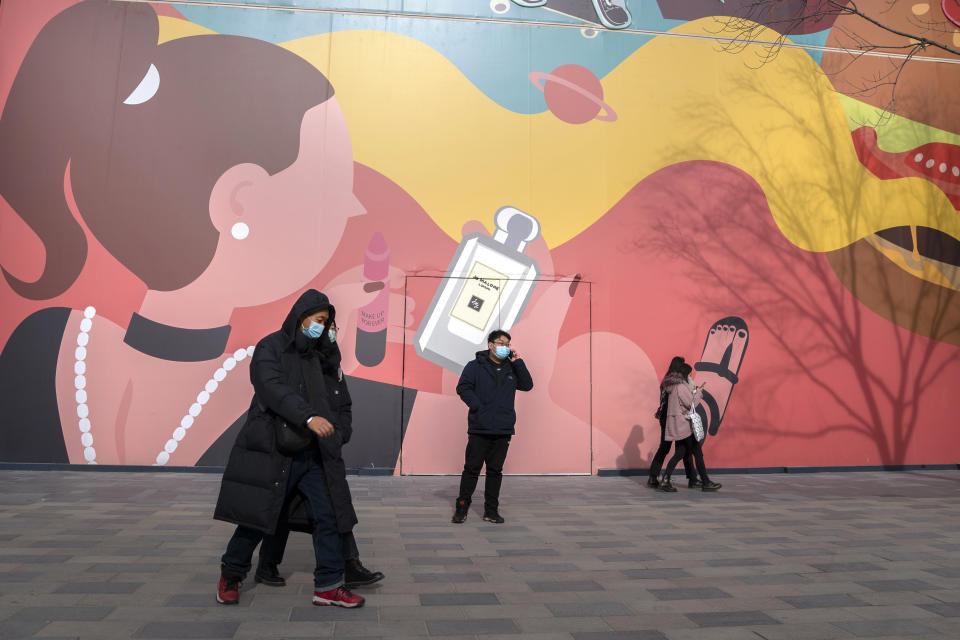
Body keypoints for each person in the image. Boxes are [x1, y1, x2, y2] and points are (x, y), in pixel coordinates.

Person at [214, 290, 364, 608]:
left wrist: (340, 433)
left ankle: (328, 586)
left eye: (327, 323)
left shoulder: (321, 355)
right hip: (275, 450)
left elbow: (339, 397)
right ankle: (231, 573)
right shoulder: (272, 347)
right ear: (301, 316)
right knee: (258, 518)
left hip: (315, 454)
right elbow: (271, 388)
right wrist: (307, 416)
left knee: (328, 517)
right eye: (319, 321)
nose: (323, 328)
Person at [254, 319, 384, 590]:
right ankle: (265, 564)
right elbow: (282, 396)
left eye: (333, 325)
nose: (331, 330)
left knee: (336, 510)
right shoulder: (299, 361)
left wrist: (340, 434)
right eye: (326, 325)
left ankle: (348, 566)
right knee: (280, 509)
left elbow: (344, 404)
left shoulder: (333, 366)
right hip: (295, 447)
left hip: (325, 451)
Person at [452, 329, 533, 524]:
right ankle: (462, 508)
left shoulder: (512, 368)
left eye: (508, 344)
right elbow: (462, 387)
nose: (505, 347)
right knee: (471, 469)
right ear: (490, 345)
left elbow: (527, 385)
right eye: (501, 343)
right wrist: (478, 406)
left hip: (503, 428)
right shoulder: (475, 366)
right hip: (480, 427)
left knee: (495, 471)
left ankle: (491, 511)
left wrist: (518, 362)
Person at [658, 363, 721, 492]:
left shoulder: (672, 386)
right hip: (684, 425)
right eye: (690, 374)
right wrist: (698, 393)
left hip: (678, 425)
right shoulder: (680, 387)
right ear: (685, 374)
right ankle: (706, 482)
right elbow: (691, 404)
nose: (691, 377)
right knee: (697, 453)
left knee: (680, 453)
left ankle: (665, 480)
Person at [648, 356, 700, 488]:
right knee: (683, 448)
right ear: (679, 367)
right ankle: (691, 478)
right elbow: (686, 401)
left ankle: (653, 477)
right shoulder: (678, 383)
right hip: (676, 418)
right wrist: (695, 391)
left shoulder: (666, 381)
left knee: (666, 447)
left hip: (665, 417)